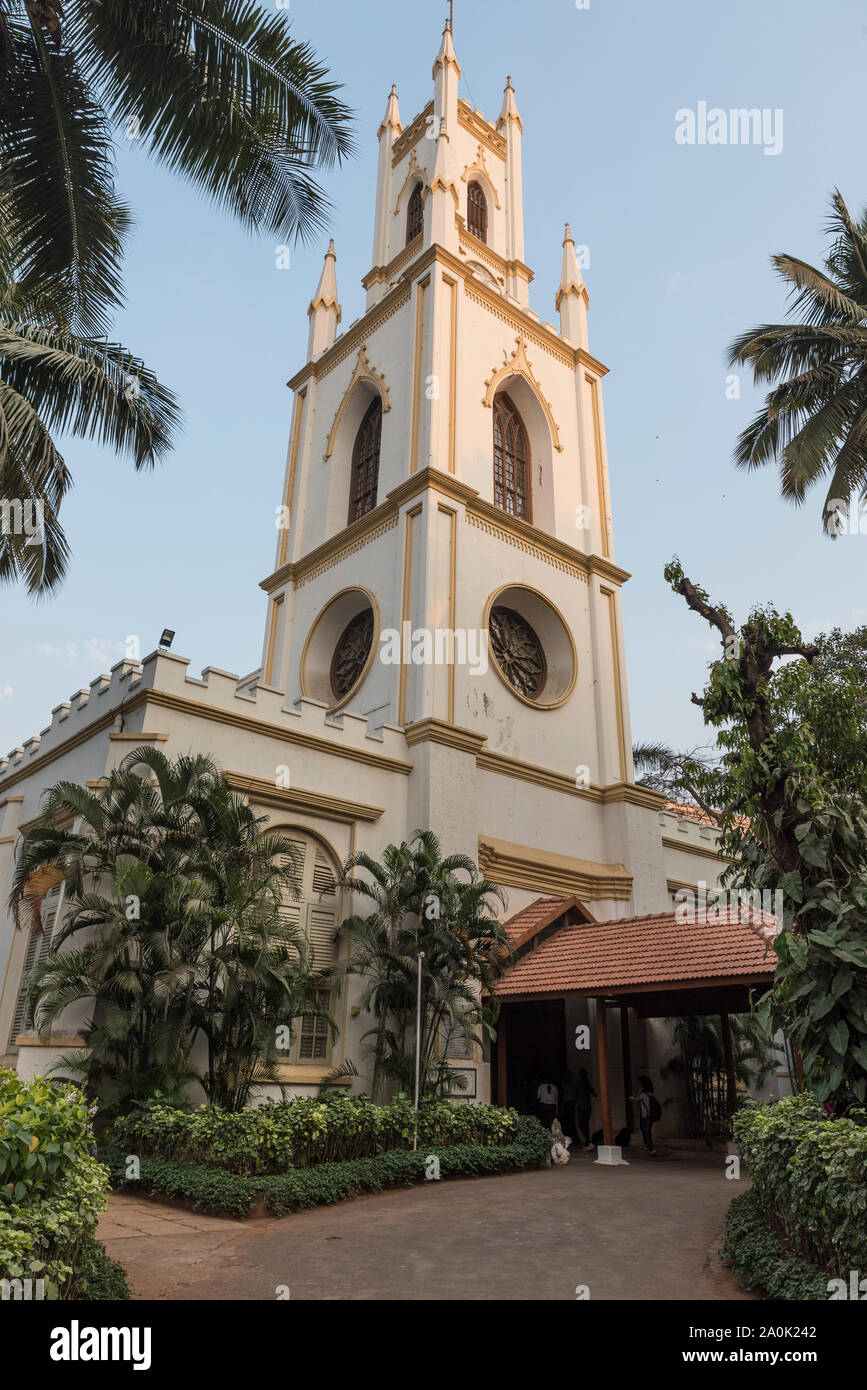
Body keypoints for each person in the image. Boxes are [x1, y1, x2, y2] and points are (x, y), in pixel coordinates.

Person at [631, 1074, 657, 1155]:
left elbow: (636, 1099)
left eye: (640, 1084)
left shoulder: (643, 1094)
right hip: (650, 1116)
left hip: (645, 1116)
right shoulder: (650, 1094)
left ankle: (652, 1149)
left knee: (646, 1132)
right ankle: (646, 1146)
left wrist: (639, 1091)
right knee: (646, 1131)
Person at [574, 1067, 597, 1150]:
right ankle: (588, 1142)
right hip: (588, 1107)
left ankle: (588, 1142)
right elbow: (595, 1095)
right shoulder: (587, 1083)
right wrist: (590, 1102)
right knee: (586, 1125)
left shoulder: (579, 1083)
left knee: (581, 1125)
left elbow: (575, 1096)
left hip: (581, 1107)